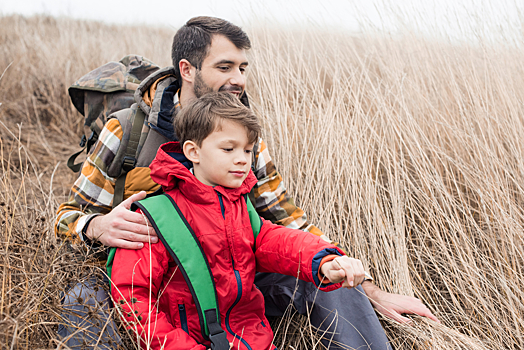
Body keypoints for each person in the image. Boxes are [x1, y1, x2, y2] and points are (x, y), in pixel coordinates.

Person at [55, 16, 439, 350]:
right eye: (225, 67)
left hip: (227, 272)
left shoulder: (245, 138)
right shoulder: (127, 130)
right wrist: (96, 225)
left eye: (243, 67)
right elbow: (67, 215)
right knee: (81, 303)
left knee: (326, 280)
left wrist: (361, 284)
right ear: (187, 69)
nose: (238, 80)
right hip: (148, 274)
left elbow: (288, 222)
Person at [110, 91, 366, 350]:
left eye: (247, 149)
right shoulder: (156, 218)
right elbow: (130, 297)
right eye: (228, 148)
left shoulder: (238, 204)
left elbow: (271, 240)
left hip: (254, 340)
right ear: (193, 151)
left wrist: (323, 260)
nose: (242, 159)